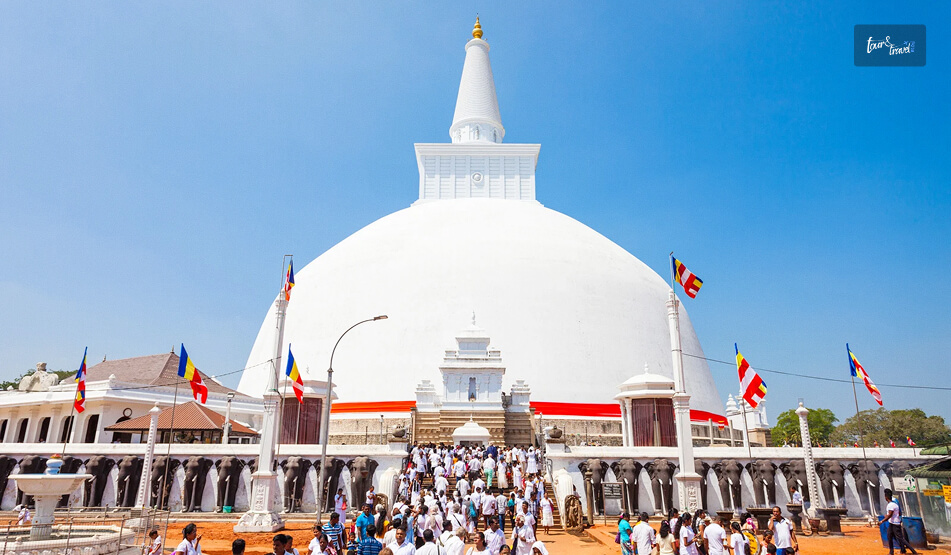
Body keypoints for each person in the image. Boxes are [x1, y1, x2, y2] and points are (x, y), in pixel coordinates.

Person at [879, 489, 918, 555]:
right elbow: (898, 513)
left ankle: (913, 551)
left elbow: (890, 515)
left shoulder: (890, 505)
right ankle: (891, 552)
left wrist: (882, 521)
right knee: (889, 536)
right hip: (892, 523)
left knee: (901, 539)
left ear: (886, 497)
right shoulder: (895, 503)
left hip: (895, 524)